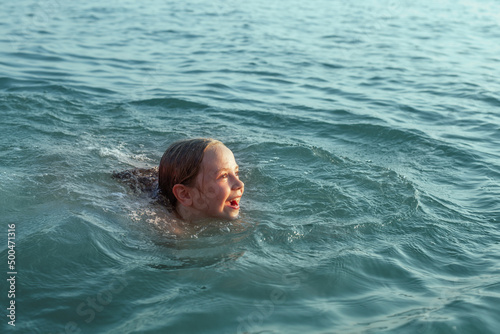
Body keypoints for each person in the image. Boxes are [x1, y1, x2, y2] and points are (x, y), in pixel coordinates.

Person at [158, 138, 244, 222]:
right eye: (223, 176)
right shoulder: (167, 231)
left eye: (236, 173)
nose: (240, 184)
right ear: (185, 194)